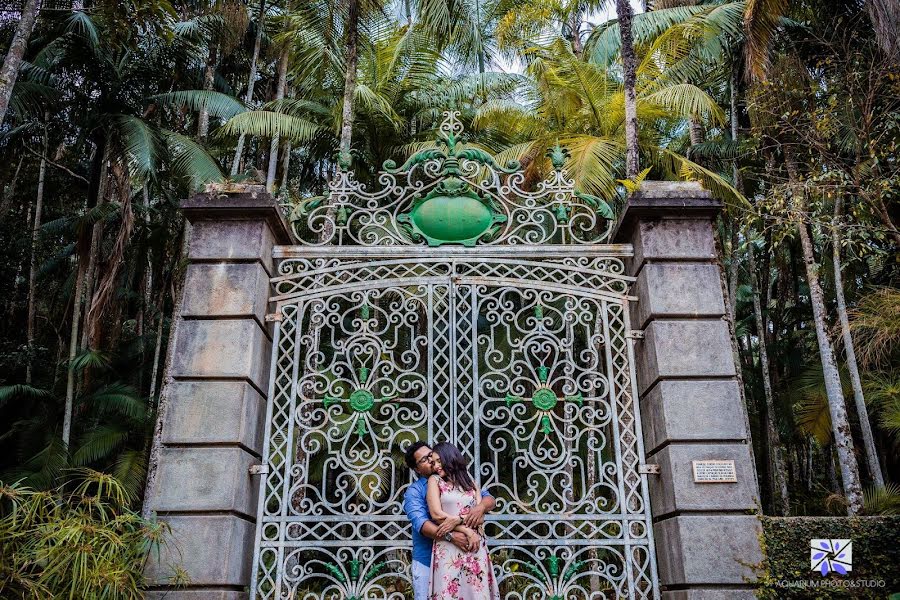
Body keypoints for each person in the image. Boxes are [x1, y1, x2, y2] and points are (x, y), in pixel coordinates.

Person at [403, 441, 496, 600]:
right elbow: (424, 525)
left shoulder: (463, 480)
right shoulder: (415, 491)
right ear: (417, 469)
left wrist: (479, 508)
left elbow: (489, 501)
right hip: (428, 557)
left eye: (430, 455)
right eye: (424, 460)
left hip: (470, 549)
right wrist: (452, 536)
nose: (431, 461)